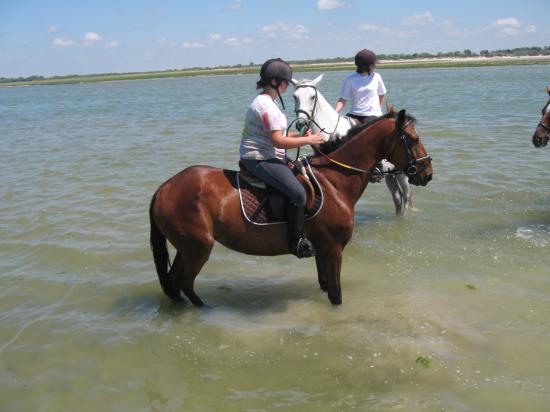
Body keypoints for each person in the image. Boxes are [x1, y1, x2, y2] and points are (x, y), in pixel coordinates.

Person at [239, 58, 324, 258]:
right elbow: (278, 141)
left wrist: (304, 136)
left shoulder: (269, 102)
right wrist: (308, 140)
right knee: (298, 194)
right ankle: (296, 242)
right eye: (286, 82)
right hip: (260, 159)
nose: (287, 86)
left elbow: (279, 135)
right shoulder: (265, 106)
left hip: (269, 155)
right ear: (276, 82)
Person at [335, 49, 386, 124]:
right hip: (354, 114)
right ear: (365, 66)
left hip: (372, 114)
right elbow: (343, 99)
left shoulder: (377, 77)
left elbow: (381, 95)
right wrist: (335, 112)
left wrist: (378, 111)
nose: (375, 66)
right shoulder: (350, 79)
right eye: (373, 65)